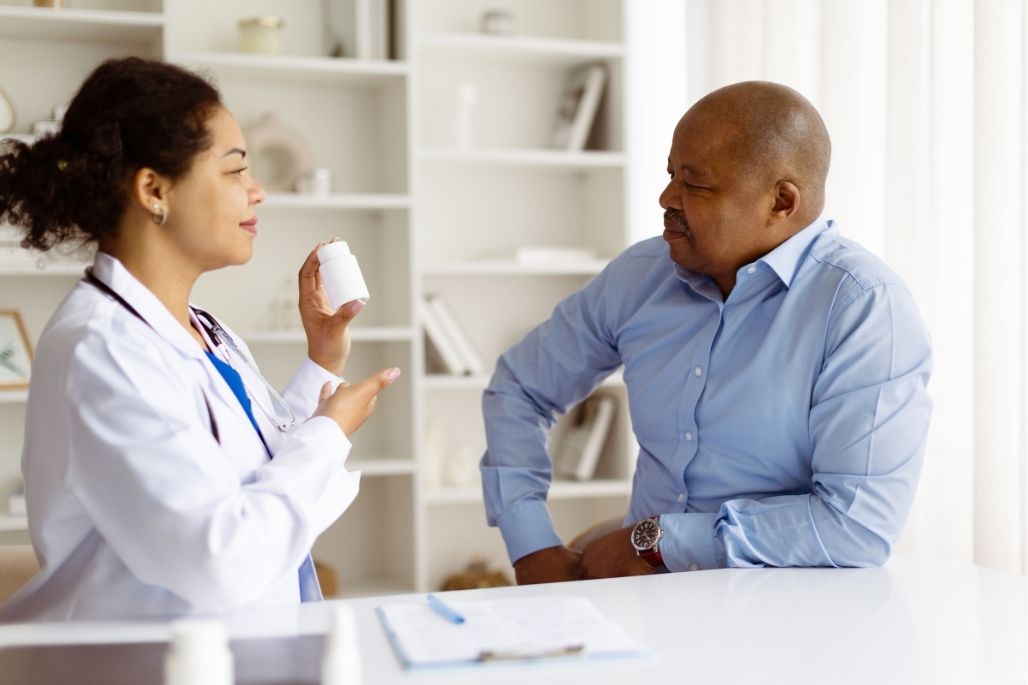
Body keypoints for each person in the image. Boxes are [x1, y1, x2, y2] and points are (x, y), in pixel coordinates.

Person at [481, 81, 933, 584]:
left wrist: (655, 543)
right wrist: (532, 544)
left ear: (780, 201)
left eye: (694, 185)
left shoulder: (863, 308)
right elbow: (519, 389)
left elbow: (856, 526)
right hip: (639, 596)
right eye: (670, 174)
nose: (666, 198)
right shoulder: (641, 275)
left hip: (788, 611)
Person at [0, 57, 400, 620]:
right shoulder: (103, 348)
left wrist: (323, 362)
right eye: (235, 171)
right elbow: (220, 561)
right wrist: (331, 433)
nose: (257, 192)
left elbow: (259, 472)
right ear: (154, 189)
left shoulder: (204, 329)